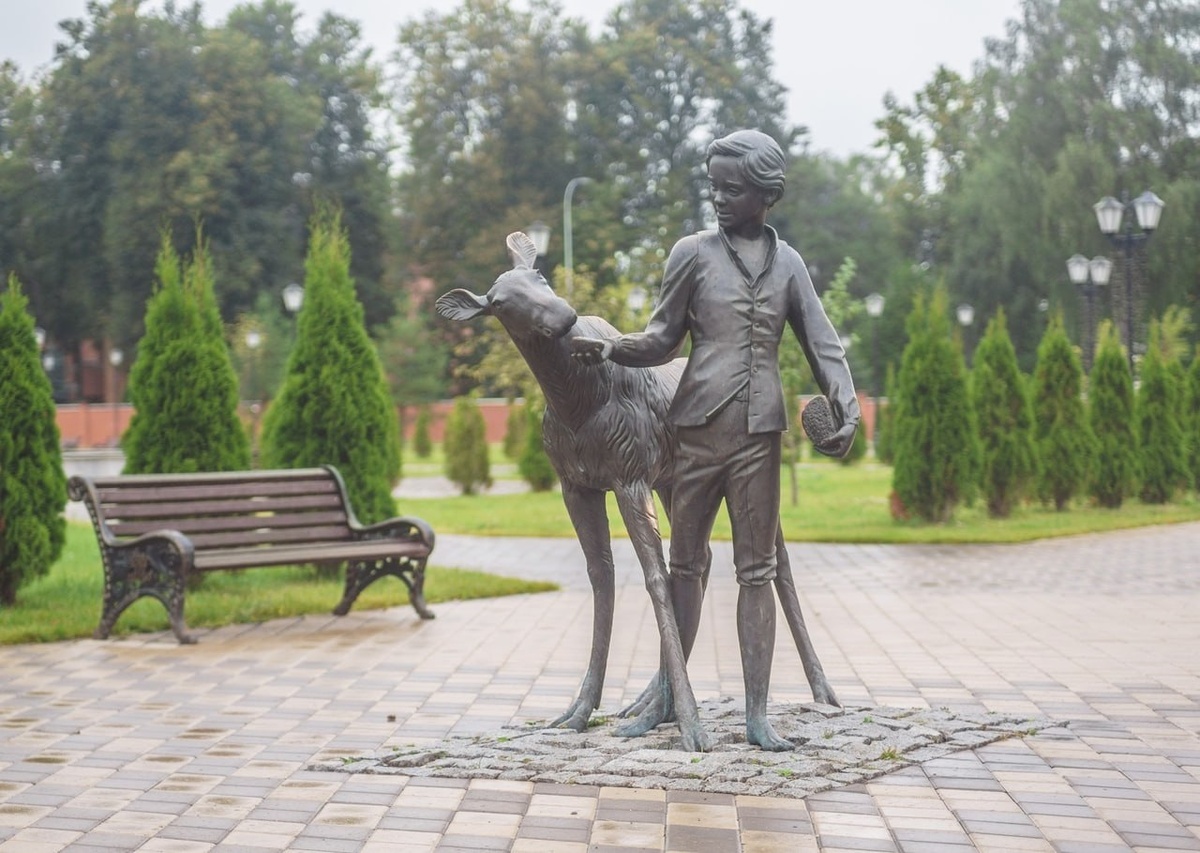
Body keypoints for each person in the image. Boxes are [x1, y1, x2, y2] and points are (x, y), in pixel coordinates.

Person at [570, 128, 859, 750]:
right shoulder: (692, 254)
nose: (719, 199)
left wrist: (846, 402)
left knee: (757, 571)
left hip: (759, 436)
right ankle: (668, 696)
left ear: (765, 194)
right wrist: (612, 348)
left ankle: (758, 715)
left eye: (732, 189)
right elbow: (661, 339)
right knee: (685, 566)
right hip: (696, 434)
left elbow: (822, 339)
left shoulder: (789, 264)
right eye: (714, 188)